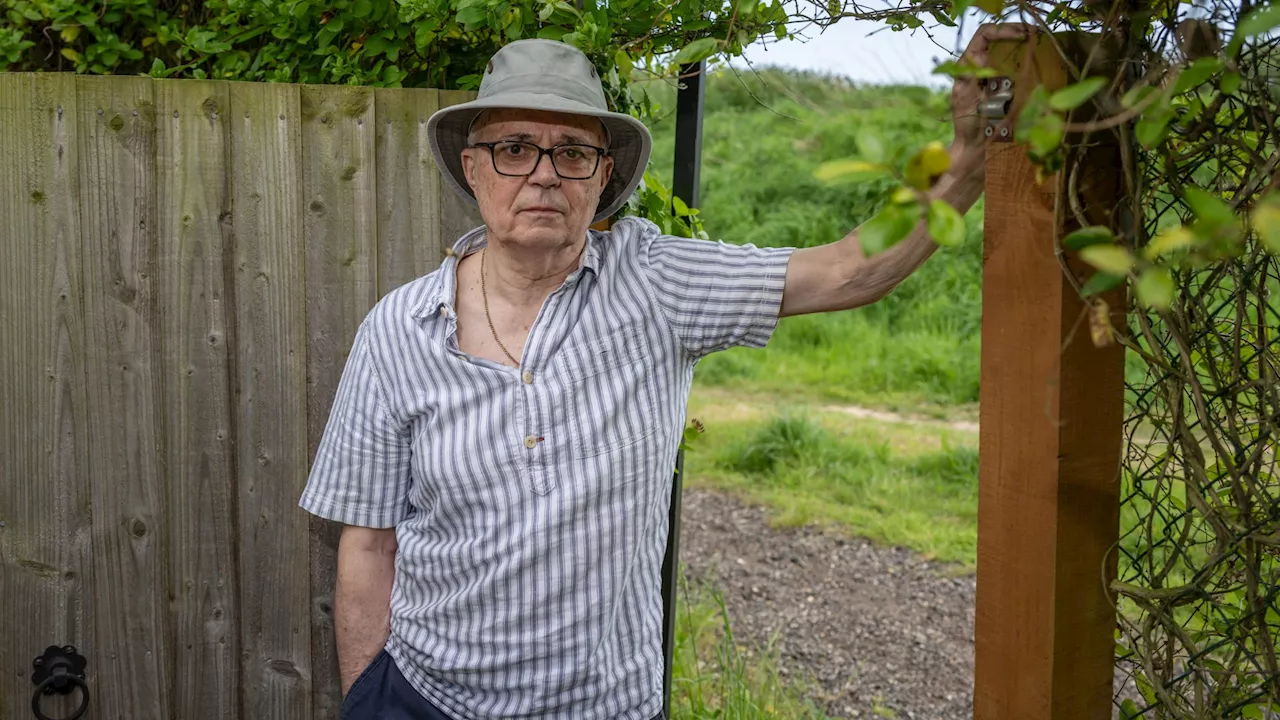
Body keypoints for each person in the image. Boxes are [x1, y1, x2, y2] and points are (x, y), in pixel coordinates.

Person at [299, 26, 1029, 720]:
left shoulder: (657, 284)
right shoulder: (400, 328)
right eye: (514, 148)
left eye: (572, 153)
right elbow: (369, 543)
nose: (545, 175)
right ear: (473, 166)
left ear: (604, 173)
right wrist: (368, 701)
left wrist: (967, 154)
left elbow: (849, 271)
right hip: (428, 702)